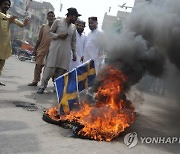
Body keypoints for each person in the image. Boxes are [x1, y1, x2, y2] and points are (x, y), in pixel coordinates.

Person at [37, 7, 81, 94]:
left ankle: (56, 87)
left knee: (61, 71)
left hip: (66, 52)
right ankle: (42, 86)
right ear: (71, 16)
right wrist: (58, 36)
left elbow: (73, 41)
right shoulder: (58, 21)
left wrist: (74, 53)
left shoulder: (73, 27)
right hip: (55, 49)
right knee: (50, 68)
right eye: (75, 17)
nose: (76, 19)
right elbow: (50, 33)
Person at [0, 0, 29, 86]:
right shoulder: (6, 17)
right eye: (5, 4)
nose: (7, 6)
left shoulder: (9, 17)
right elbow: (4, 17)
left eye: (8, 5)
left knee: (2, 62)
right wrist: (10, 19)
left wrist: (24, 23)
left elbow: (20, 24)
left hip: (5, 43)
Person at [28, 11, 55, 86]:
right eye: (49, 16)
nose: (51, 17)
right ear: (47, 17)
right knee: (38, 65)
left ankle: (54, 83)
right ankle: (35, 81)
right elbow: (39, 39)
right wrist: (35, 49)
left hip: (52, 51)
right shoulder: (43, 27)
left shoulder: (56, 27)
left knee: (51, 68)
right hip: (42, 49)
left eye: (52, 16)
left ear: (54, 17)